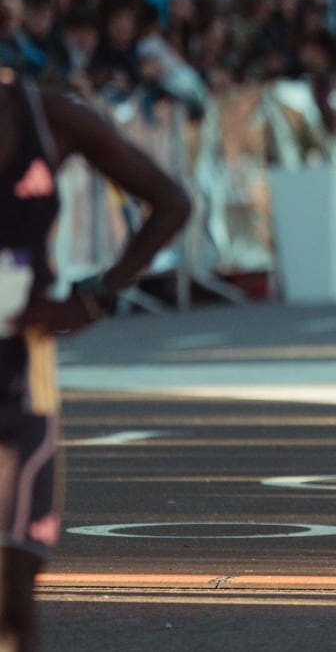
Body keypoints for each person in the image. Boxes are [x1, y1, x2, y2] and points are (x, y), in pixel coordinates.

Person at [0, 67, 191, 649]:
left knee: (14, 583)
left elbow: (171, 202)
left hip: (20, 373)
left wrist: (95, 297)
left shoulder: (46, 115)